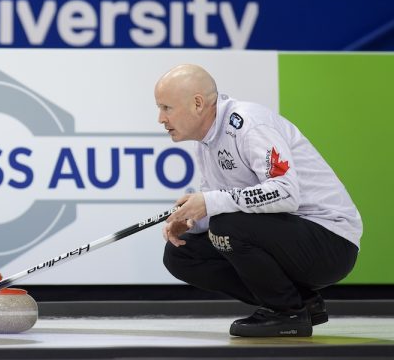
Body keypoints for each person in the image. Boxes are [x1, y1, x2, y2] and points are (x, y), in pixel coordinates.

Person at [155, 64, 362, 337]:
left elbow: (285, 192)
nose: (160, 118)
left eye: (166, 108)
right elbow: (228, 201)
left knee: (226, 224)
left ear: (197, 103)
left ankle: (286, 313)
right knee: (181, 254)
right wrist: (193, 221)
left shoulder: (248, 125)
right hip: (287, 236)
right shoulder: (206, 142)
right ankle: (300, 303)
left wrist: (210, 203)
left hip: (331, 243)